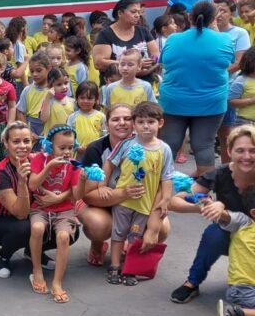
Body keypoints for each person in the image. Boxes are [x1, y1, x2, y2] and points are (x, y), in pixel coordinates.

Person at [169, 125, 255, 304]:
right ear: (229, 151)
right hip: (231, 231)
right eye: (240, 150)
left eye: (252, 151)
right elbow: (175, 201)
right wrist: (203, 207)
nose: (247, 156)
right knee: (213, 234)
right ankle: (192, 282)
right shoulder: (219, 174)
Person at [160, 0, 235, 177]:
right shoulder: (224, 39)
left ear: (189, 17)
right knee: (204, 146)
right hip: (211, 103)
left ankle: (157, 192)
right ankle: (203, 197)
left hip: (174, 102)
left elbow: (164, 63)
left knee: (167, 145)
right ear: (214, 18)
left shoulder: (173, 39)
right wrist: (214, 28)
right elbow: (229, 62)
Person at [102, 102, 174, 286]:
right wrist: (102, 185)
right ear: (134, 124)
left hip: (145, 204)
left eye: (151, 121)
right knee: (118, 234)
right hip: (124, 202)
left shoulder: (164, 149)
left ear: (161, 123)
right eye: (141, 121)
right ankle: (115, 266)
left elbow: (166, 177)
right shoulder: (126, 144)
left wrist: (165, 199)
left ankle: (130, 269)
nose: (145, 126)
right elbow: (109, 163)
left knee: (135, 237)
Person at [26, 126, 85, 303]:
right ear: (50, 146)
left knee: (63, 237)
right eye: (62, 148)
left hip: (64, 209)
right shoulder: (40, 160)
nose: (67, 152)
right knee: (37, 228)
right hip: (41, 207)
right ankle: (37, 270)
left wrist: (82, 180)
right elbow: (32, 185)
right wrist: (50, 165)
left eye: (70, 147)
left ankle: (57, 281)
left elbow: (77, 196)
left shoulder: (74, 166)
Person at [0, 121, 35, 278]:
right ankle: (3, 257)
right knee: (25, 227)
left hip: (31, 216)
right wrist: (21, 181)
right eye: (16, 141)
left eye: (26, 141)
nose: (22, 146)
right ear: (6, 143)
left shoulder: (38, 161)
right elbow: (20, 213)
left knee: (66, 229)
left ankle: (33, 251)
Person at [92, 0, 158, 74]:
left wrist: (151, 64)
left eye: (139, 12)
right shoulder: (105, 34)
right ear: (120, 13)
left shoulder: (143, 31)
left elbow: (156, 55)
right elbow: (99, 63)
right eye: (133, 12)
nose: (137, 15)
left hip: (143, 82)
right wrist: (133, 64)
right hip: (117, 83)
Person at [15, 52, 51, 140]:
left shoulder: (53, 90)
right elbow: (20, 112)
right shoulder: (27, 90)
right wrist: (28, 131)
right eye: (31, 71)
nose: (34, 74)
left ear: (49, 68)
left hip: (50, 127)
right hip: (32, 129)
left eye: (38, 70)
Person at [214, 0, 253, 68]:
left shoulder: (240, 33)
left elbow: (239, 63)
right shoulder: (206, 32)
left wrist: (218, 74)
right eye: (216, 11)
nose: (218, 15)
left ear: (231, 14)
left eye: (223, 11)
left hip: (232, 78)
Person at [69, 82, 106, 152]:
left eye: (89, 98)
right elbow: (68, 135)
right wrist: (77, 147)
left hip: (96, 153)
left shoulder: (101, 116)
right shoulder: (72, 117)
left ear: (96, 100)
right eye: (82, 98)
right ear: (76, 98)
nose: (85, 101)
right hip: (77, 154)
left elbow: (105, 136)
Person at [39, 68, 76, 135]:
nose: (64, 87)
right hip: (51, 140)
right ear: (50, 86)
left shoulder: (72, 101)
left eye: (66, 83)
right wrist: (47, 98)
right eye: (59, 84)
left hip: (67, 140)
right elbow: (43, 119)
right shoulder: (48, 101)